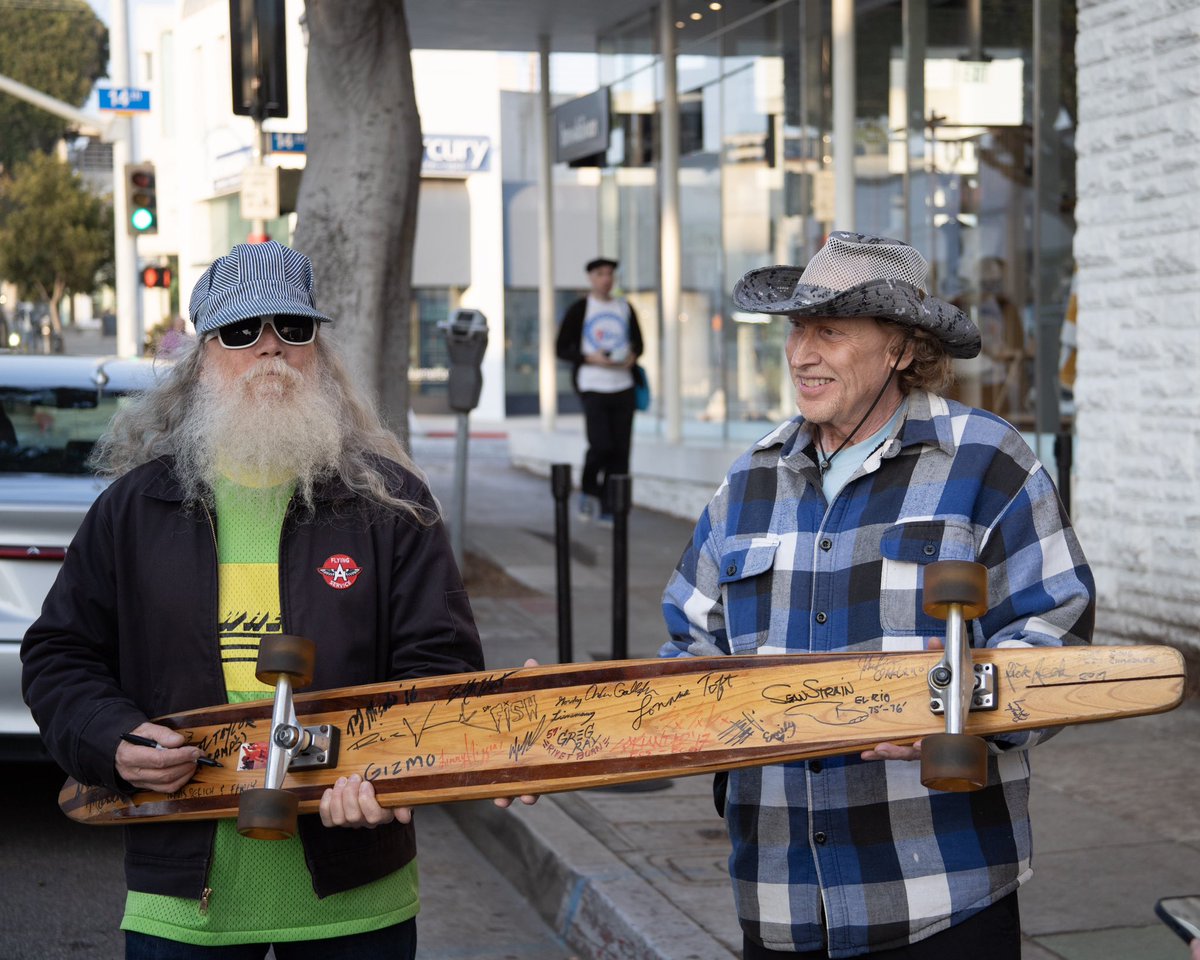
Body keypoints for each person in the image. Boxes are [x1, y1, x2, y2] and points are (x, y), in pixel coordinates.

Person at [21, 240, 507, 959]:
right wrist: (111, 739)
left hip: (355, 900)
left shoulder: (389, 504)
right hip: (184, 904)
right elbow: (59, 655)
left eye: (292, 327)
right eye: (242, 331)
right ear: (203, 357)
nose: (270, 348)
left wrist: (384, 766)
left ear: (318, 352)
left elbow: (438, 666)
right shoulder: (134, 510)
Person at [660, 232, 1095, 959]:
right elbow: (689, 645)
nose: (800, 353)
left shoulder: (988, 462)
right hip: (781, 898)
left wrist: (955, 707)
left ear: (900, 348)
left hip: (941, 897)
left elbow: (1058, 631)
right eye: (797, 329)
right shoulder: (748, 481)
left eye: (829, 330)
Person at [555, 256, 644, 524]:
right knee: (600, 445)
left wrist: (631, 357)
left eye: (610, 274)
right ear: (590, 278)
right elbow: (561, 348)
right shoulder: (581, 309)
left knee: (621, 451)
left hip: (623, 387)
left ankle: (611, 507)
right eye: (600, 274)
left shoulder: (625, 307)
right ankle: (588, 491)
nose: (606, 279)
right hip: (593, 385)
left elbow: (639, 344)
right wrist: (591, 358)